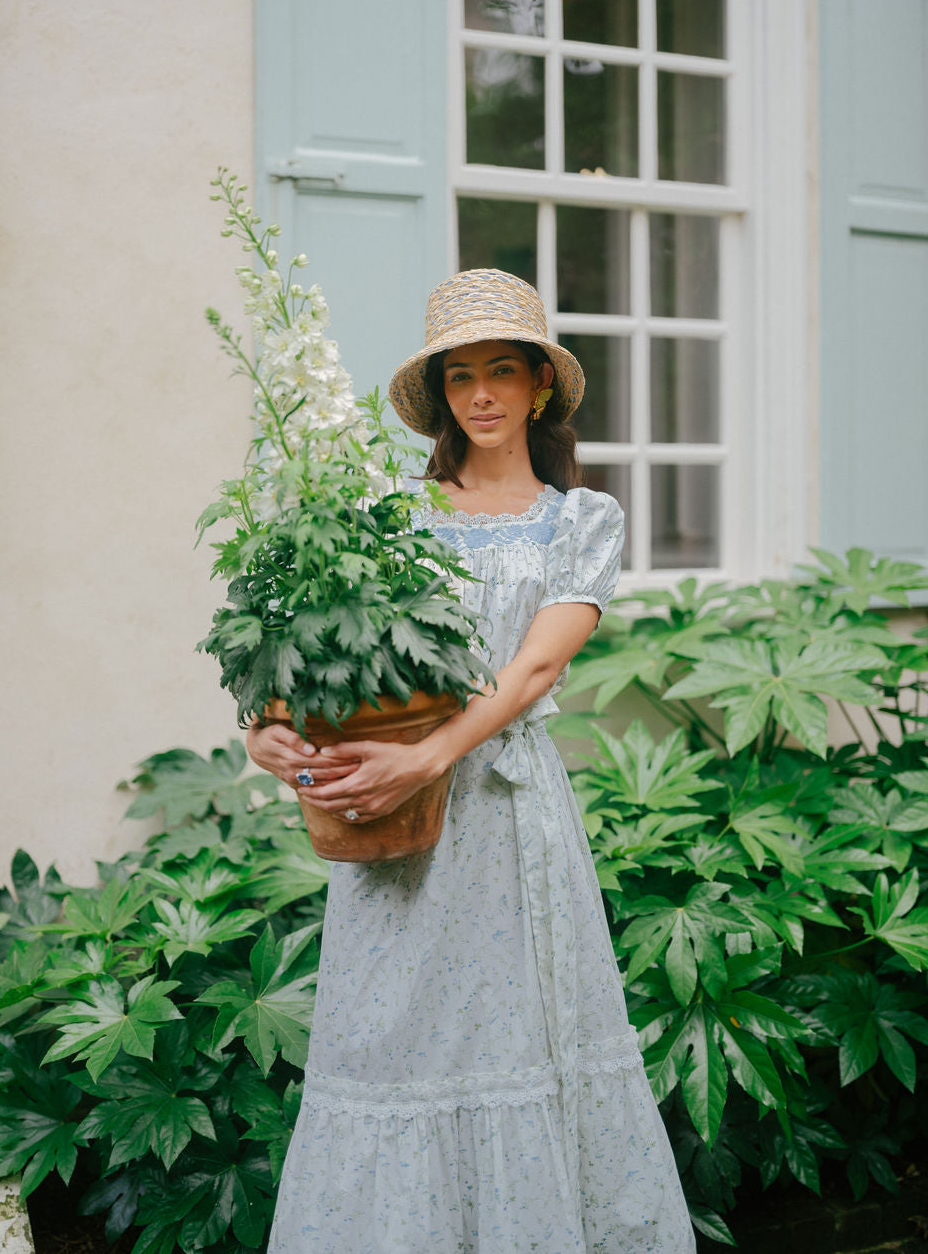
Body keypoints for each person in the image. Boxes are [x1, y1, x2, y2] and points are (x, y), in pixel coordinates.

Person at [251, 268, 696, 1253]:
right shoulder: (387, 521)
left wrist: (436, 757)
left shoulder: (582, 520)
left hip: (505, 813)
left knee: (516, 1038)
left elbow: (536, 667)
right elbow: (317, 655)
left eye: (503, 370)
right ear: (442, 397)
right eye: (461, 377)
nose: (483, 394)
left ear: (541, 384)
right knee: (389, 1038)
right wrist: (268, 728)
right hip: (395, 825)